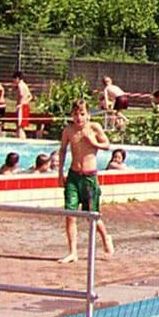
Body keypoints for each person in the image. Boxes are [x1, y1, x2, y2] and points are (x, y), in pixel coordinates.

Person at [55, 104, 116, 263]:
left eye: (82, 114)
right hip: (74, 176)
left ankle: (105, 238)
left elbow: (107, 145)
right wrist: (60, 173)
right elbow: (62, 150)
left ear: (88, 115)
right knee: (70, 213)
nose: (79, 118)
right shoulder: (69, 130)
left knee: (92, 215)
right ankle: (72, 252)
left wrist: (94, 143)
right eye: (75, 114)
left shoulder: (94, 128)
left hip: (89, 177)